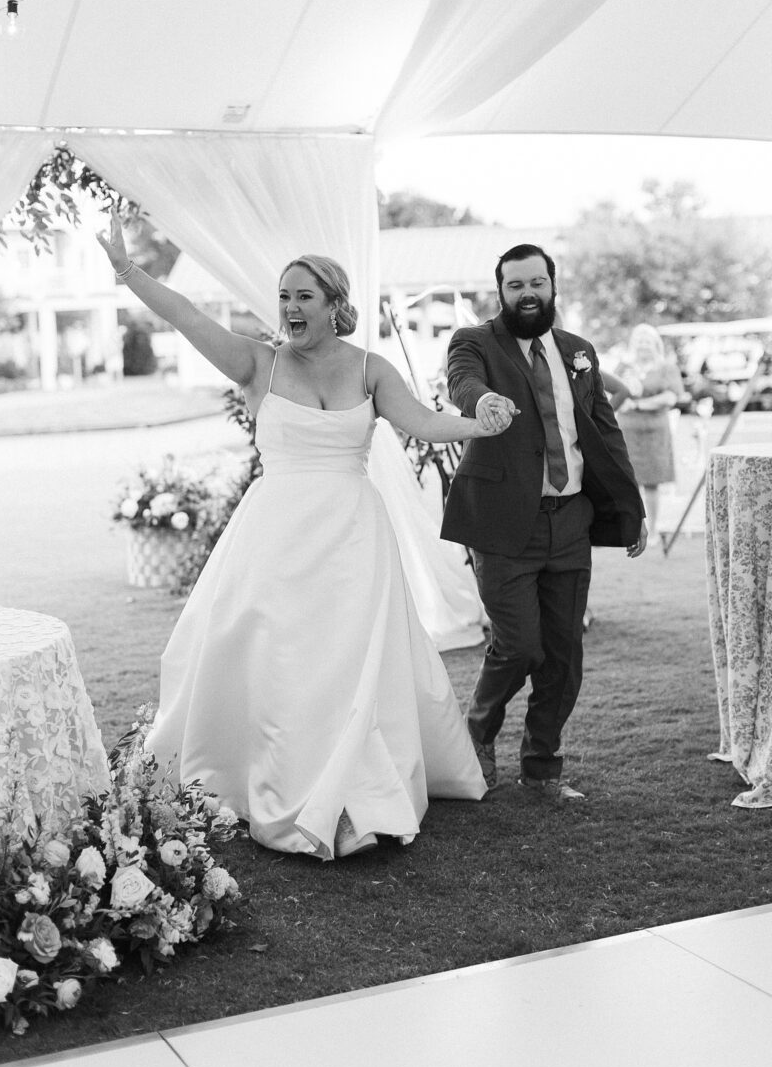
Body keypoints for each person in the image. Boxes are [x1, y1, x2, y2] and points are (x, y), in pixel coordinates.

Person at [96, 209, 514, 860]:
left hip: (352, 539)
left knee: (346, 662)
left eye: (303, 297)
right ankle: (272, 774)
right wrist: (127, 271)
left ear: (334, 306)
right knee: (280, 657)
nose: (289, 308)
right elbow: (185, 315)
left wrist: (479, 425)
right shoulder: (259, 364)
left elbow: (424, 423)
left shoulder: (371, 369)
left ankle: (355, 789)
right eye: (284, 296)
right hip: (276, 539)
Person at [441, 243, 646, 802]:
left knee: (563, 654)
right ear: (500, 291)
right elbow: (462, 382)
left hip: (570, 522)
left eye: (536, 283)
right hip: (504, 524)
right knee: (520, 645)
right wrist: (481, 402)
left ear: (553, 286)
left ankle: (542, 767)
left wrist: (633, 511)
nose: (527, 294)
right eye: (515, 285)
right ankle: (477, 735)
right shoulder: (474, 342)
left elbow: (604, 433)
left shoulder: (579, 352)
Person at [614, 323, 685, 547]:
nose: (643, 345)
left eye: (647, 341)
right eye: (639, 341)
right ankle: (632, 529)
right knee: (628, 482)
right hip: (627, 430)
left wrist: (639, 405)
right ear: (633, 345)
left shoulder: (666, 367)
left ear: (655, 345)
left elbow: (671, 397)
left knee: (652, 482)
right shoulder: (624, 367)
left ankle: (653, 530)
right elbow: (609, 390)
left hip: (655, 430)